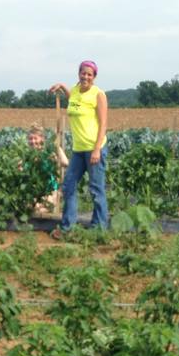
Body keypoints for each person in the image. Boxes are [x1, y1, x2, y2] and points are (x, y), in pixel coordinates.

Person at [48, 60, 109, 235]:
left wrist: (97, 149)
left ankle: (100, 230)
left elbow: (104, 124)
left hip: (93, 148)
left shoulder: (98, 94)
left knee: (96, 189)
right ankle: (68, 227)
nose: (86, 77)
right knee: (68, 185)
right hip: (78, 149)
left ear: (94, 77)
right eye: (83, 73)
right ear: (79, 73)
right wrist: (62, 86)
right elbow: (75, 103)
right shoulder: (75, 91)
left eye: (90, 74)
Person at [25, 124, 69, 212]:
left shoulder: (48, 154)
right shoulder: (26, 156)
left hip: (50, 191)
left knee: (39, 209)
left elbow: (65, 163)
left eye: (35, 138)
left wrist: (57, 147)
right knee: (30, 207)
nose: (33, 141)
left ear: (42, 139)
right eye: (30, 139)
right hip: (34, 191)